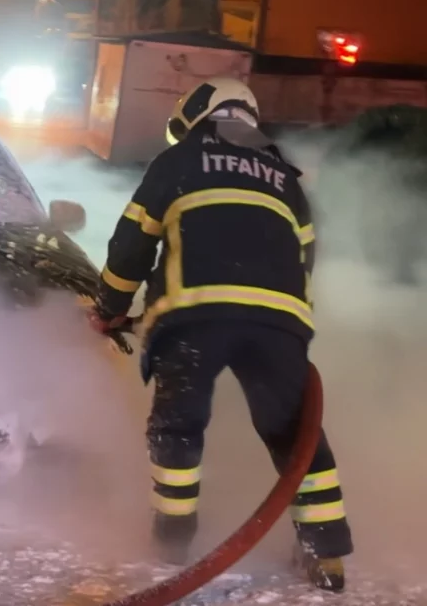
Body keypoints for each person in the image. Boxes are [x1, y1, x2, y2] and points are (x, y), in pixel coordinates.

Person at [89, 78, 352, 592]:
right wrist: (290, 334)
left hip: (194, 315)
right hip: (279, 322)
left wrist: (109, 309)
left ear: (196, 117)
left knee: (179, 428)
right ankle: (327, 557)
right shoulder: (286, 177)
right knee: (295, 435)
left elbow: (130, 248)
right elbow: (305, 261)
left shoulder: (178, 162)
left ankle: (171, 541)